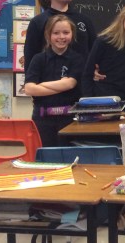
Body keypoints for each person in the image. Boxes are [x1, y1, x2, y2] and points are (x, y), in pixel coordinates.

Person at [24, 15, 84, 147]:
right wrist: (61, 85)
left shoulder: (77, 59)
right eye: (56, 33)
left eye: (66, 32)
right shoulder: (38, 59)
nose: (61, 37)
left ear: (72, 34)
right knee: (45, 155)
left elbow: (70, 84)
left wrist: (41, 85)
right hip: (42, 119)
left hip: (69, 119)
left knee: (70, 155)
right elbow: (29, 89)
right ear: (48, 35)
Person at [81, 0, 125, 113]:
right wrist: (90, 105)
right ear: (124, 16)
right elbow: (87, 75)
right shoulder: (103, 41)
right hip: (101, 103)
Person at [24, 0, 96, 72]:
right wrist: (31, 79)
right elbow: (30, 57)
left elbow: (94, 53)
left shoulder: (84, 20)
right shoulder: (38, 22)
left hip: (80, 79)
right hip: (49, 79)